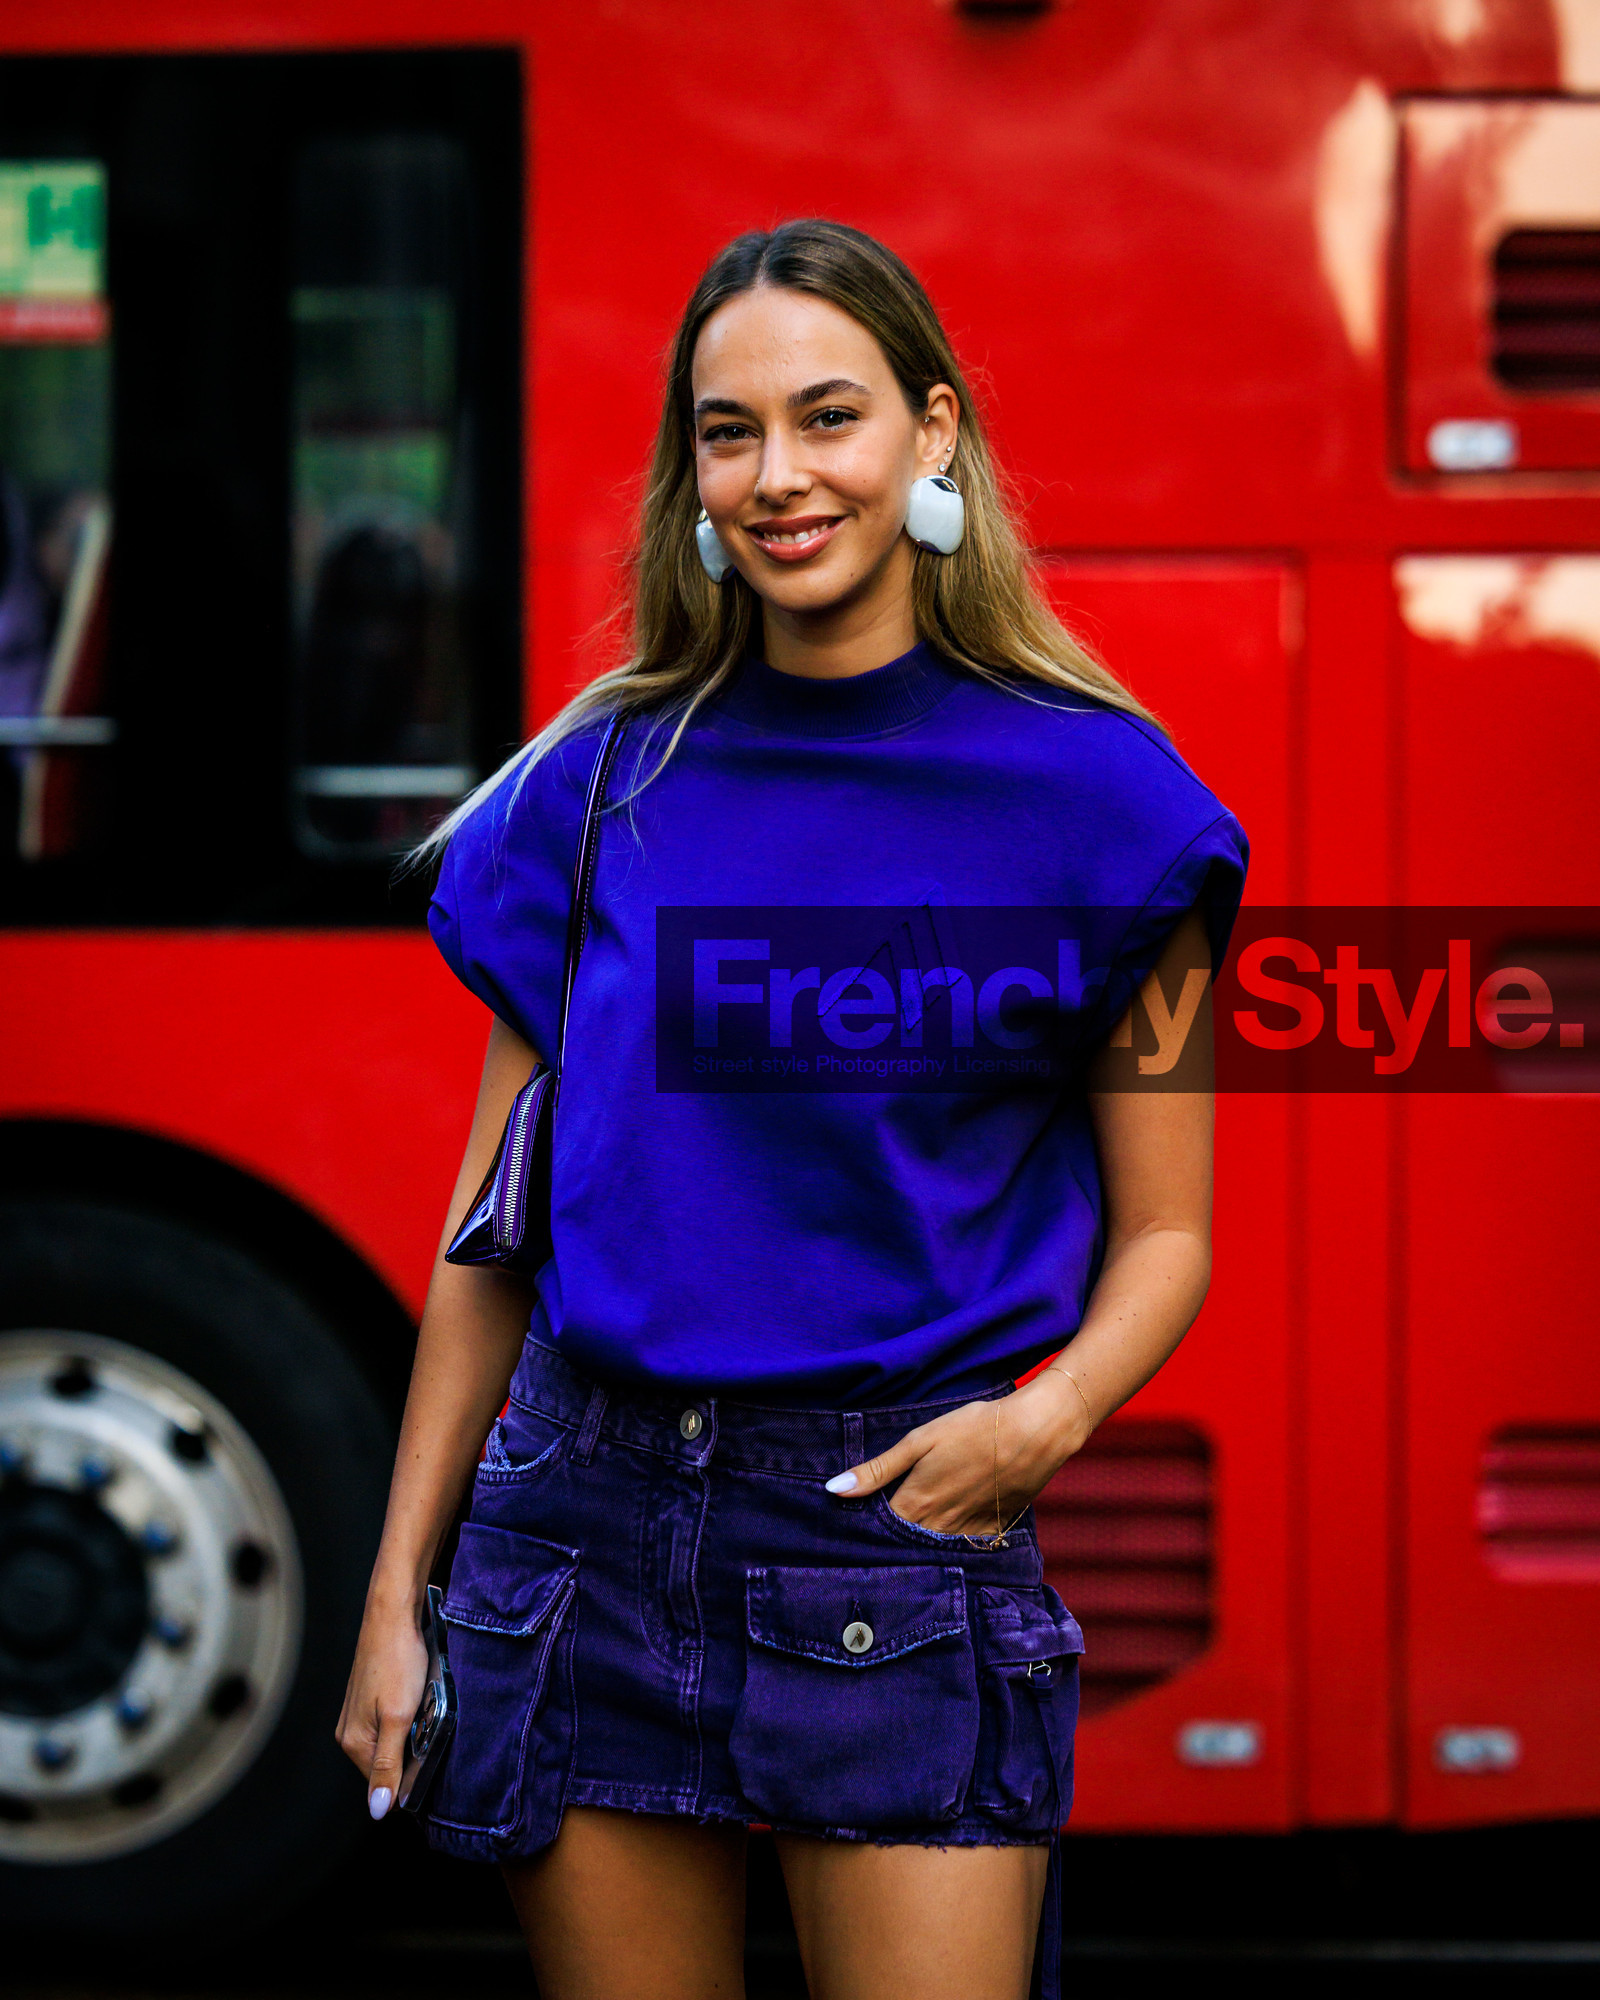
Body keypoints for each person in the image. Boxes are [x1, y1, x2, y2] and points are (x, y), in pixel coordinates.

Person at [338, 218, 1247, 2000]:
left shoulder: (1108, 808)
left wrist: (1035, 1430)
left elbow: (1169, 1231)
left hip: (888, 1538)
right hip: (578, 1527)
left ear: (934, 434)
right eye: (728, 432)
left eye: (827, 417)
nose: (777, 476)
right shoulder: (597, 781)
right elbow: (490, 1230)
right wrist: (396, 1597)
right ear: (691, 472)